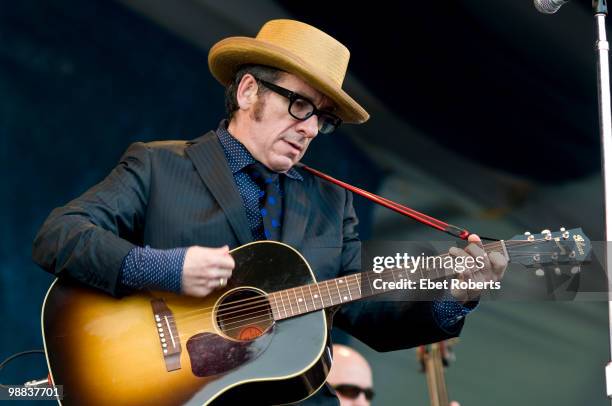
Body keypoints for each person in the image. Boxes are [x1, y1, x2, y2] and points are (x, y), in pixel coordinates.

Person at [32, 19, 506, 405]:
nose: (308, 129)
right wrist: (165, 268)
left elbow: (364, 313)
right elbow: (60, 235)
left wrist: (454, 295)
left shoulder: (330, 203)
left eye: (322, 118)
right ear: (247, 92)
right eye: (299, 104)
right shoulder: (159, 165)